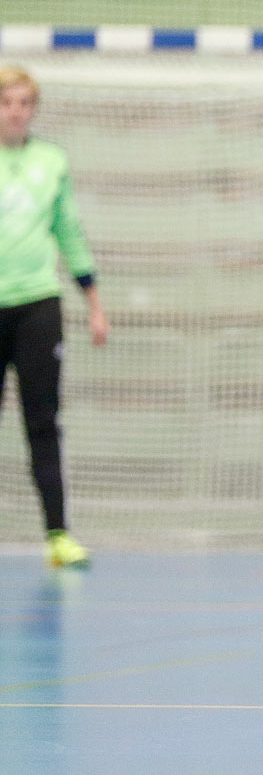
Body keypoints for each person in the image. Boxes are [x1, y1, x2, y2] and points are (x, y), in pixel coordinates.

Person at [0, 66, 109, 568]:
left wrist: (94, 304)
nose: (15, 111)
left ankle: (58, 535)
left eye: (23, 102)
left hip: (38, 306)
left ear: (33, 108)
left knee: (42, 423)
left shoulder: (52, 161)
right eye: (6, 102)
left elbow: (69, 232)